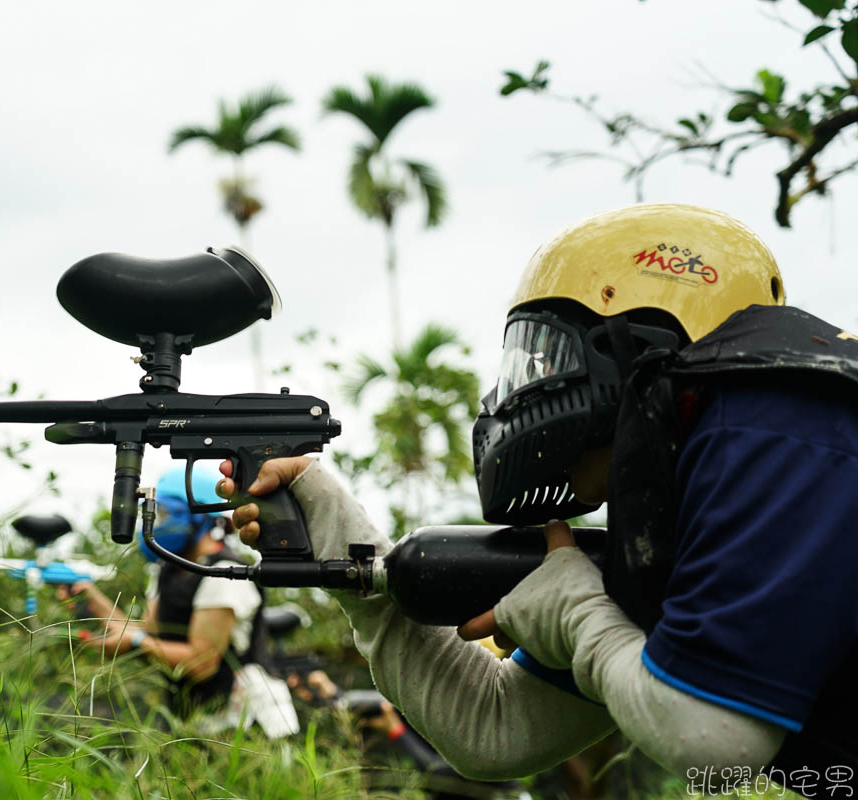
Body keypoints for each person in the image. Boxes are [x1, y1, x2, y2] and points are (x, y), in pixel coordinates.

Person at [218, 204, 858, 782]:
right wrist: (333, 522)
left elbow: (713, 738)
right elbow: (493, 730)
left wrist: (579, 614)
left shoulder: (774, 415)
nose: (526, 386)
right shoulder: (695, 500)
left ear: (639, 338)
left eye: (549, 348)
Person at [69, 466, 267, 718]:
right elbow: (148, 633)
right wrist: (92, 599)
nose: (158, 522)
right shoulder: (170, 571)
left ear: (200, 517)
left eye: (167, 514)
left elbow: (201, 663)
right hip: (196, 717)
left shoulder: (224, 574)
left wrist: (136, 642)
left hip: (241, 722)